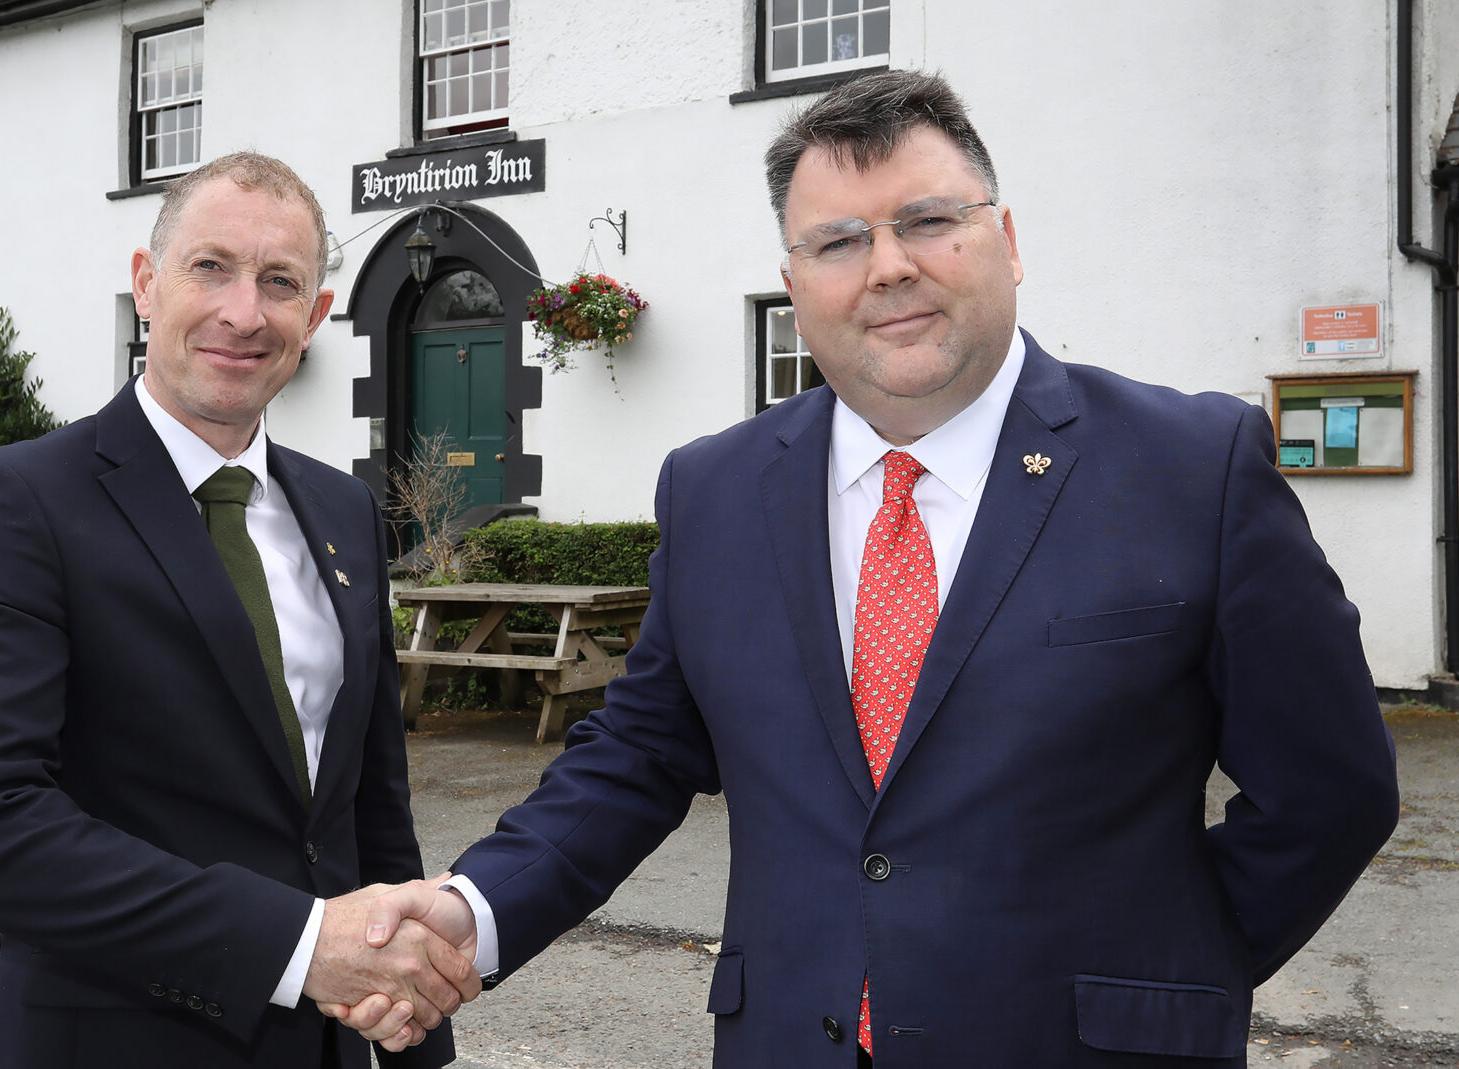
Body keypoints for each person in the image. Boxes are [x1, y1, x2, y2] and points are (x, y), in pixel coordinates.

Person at [338, 70, 1401, 1066]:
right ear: (794, 283)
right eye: (839, 240)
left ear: (1008, 242)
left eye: (929, 221)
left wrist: (1177, 974)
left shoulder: (1191, 467)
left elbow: (1331, 790)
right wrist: (475, 908)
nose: (888, 265)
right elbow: (640, 752)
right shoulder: (715, 489)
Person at [0, 152, 478, 1069]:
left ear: (314, 317)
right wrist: (298, 946)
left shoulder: (345, 512)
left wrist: (414, 1028)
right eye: (210, 267)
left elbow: (370, 808)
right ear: (147, 283)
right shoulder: (24, 499)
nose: (243, 313)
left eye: (280, 282)